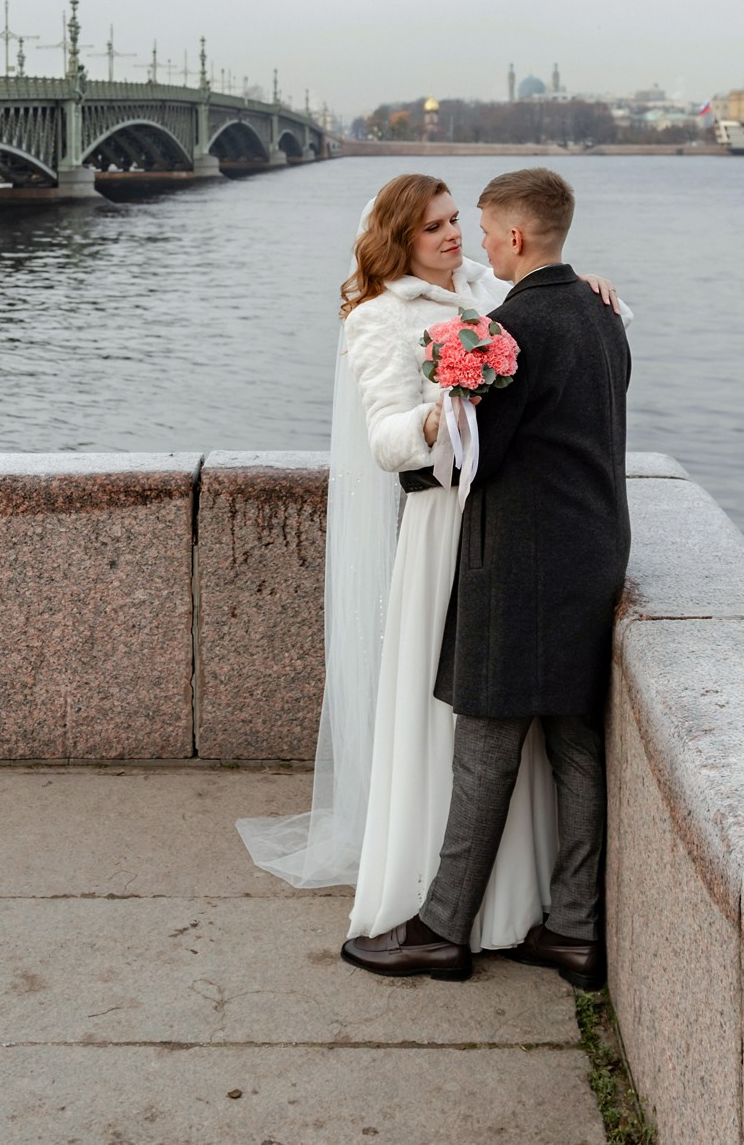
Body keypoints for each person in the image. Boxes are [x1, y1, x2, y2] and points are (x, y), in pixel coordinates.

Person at [239, 172, 623, 964]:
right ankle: (564, 923)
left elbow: (533, 345)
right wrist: (439, 409)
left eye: (462, 222)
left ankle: (449, 927)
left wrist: (570, 291)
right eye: (436, 227)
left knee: (491, 738)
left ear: (509, 237)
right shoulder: (385, 318)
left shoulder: (506, 302)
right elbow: (389, 440)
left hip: (503, 539)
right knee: (539, 735)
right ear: (398, 239)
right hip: (481, 532)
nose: (457, 238)